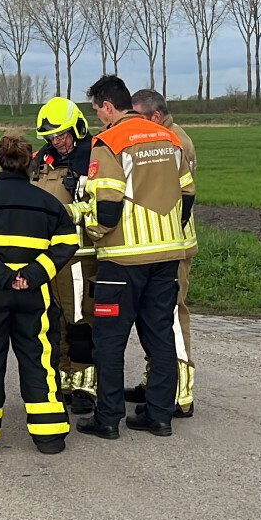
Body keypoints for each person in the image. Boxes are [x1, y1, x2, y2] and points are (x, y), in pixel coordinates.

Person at [72, 75, 195, 440]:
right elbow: (187, 196)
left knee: (109, 340)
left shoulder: (109, 142)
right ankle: (159, 416)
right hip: (167, 254)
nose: (99, 120)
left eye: (97, 112)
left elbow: (106, 208)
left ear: (108, 107)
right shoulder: (170, 138)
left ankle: (108, 418)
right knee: (159, 335)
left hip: (122, 261)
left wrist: (90, 230)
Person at [0, 132, 83, 455]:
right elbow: (68, 243)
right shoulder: (49, 202)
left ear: (0, 160)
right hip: (35, 294)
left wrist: (2, 276)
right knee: (40, 362)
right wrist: (31, 275)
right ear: (29, 162)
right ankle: (49, 436)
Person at [128, 88, 198, 417]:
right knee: (153, 319)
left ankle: (180, 392)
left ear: (155, 116)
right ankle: (155, 380)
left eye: (137, 117)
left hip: (174, 244)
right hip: (166, 242)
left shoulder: (173, 141)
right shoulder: (168, 136)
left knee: (171, 316)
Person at [28, 97, 98, 415]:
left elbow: (103, 206)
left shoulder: (94, 156)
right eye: (52, 137)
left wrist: (64, 211)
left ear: (77, 128)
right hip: (46, 256)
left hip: (79, 256)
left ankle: (85, 384)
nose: (58, 141)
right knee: (53, 320)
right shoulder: (41, 159)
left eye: (62, 135)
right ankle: (63, 379)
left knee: (80, 318)